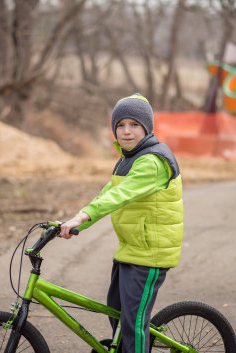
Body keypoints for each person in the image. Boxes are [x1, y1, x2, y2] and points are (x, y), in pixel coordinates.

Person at [59, 93, 183, 353]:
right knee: (115, 311)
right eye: (120, 125)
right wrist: (78, 216)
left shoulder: (152, 161)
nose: (126, 132)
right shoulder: (129, 157)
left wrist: (83, 217)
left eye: (134, 125)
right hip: (131, 248)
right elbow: (107, 192)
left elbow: (119, 196)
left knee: (132, 323)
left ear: (146, 128)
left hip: (150, 253)